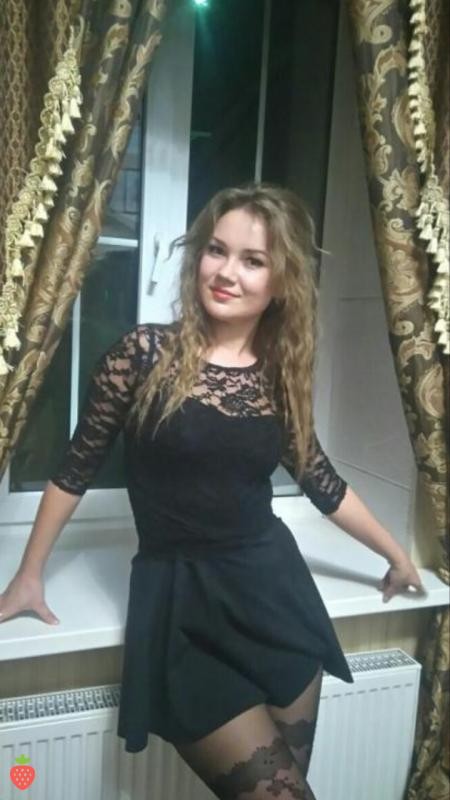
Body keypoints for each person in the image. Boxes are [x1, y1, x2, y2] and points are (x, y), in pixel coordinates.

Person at [0, 183, 424, 800]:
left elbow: (321, 479)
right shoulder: (141, 355)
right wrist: (28, 573)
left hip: (275, 598)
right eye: (217, 250)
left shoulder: (278, 376)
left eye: (253, 260)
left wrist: (396, 554)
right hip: (182, 609)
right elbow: (74, 469)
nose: (226, 272)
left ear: (281, 282)